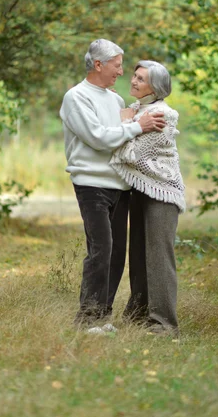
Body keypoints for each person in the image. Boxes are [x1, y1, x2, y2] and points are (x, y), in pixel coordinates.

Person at [59, 40, 166, 328]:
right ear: (98, 65)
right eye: (118, 65)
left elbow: (122, 140)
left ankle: (103, 316)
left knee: (117, 251)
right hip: (91, 184)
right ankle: (87, 319)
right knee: (101, 249)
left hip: (120, 185)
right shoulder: (76, 97)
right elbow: (98, 138)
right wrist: (135, 126)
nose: (122, 72)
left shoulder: (116, 100)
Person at [110, 60, 186, 335]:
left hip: (162, 191)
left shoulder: (165, 114)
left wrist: (124, 125)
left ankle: (165, 323)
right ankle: (138, 315)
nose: (133, 80)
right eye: (134, 75)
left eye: (141, 79)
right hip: (140, 189)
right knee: (139, 255)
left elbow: (131, 155)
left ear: (155, 87)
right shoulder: (137, 111)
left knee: (158, 257)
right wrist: (130, 123)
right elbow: (121, 144)